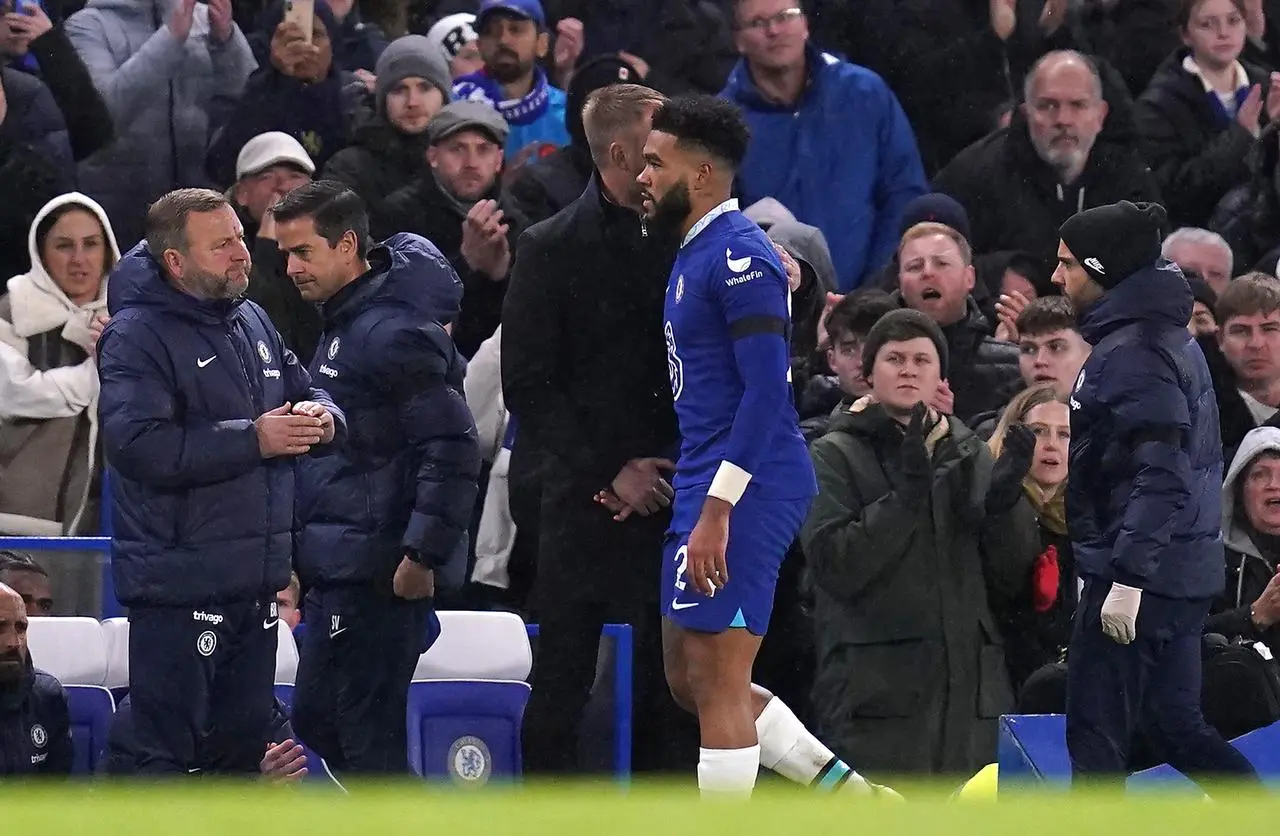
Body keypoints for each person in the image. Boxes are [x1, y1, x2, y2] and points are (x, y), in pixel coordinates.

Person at [633, 94, 897, 799]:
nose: (642, 176)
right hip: (705, 476)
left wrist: (718, 510)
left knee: (718, 683)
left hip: (747, 482)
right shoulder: (695, 251)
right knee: (689, 681)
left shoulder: (742, 254)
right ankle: (857, 799)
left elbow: (763, 394)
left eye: (657, 162)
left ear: (706, 172)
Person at [96, 187, 345, 776]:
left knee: (237, 762)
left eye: (239, 236)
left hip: (254, 587)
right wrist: (251, 439)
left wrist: (323, 416)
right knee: (162, 760)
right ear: (175, 262)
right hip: (179, 589)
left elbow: (308, 389)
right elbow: (136, 445)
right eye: (222, 245)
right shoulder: (136, 334)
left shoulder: (252, 317)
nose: (242, 253)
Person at [501, 83, 693, 773]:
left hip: (684, 497)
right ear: (620, 151)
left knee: (679, 693)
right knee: (560, 690)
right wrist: (612, 471)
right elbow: (528, 383)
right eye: (660, 141)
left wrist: (668, 466)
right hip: (581, 508)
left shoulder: (698, 236)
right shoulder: (548, 248)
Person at [1051, 199, 1260, 788]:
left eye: (1068, 265)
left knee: (1096, 735)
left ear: (1103, 270)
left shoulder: (1134, 353)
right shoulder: (1158, 337)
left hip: (1142, 576)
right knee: (1173, 725)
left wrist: (1126, 579)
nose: (1055, 277)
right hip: (1178, 572)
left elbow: (1161, 473)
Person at [273, 180, 479, 774]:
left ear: (346, 246)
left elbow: (453, 445)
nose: (289, 268)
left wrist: (422, 556)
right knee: (321, 719)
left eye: (302, 252)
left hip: (383, 571)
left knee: (366, 740)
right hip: (342, 565)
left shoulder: (391, 333)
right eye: (284, 253)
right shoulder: (348, 324)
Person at [801, 310, 1038, 776]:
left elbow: (1008, 577)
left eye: (921, 359)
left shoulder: (970, 451)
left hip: (971, 698)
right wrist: (906, 498)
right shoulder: (831, 453)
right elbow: (834, 565)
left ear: (940, 376)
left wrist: (1006, 508)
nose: (908, 369)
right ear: (868, 375)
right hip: (875, 699)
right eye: (894, 358)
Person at [0, 582, 72, 776]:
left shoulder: (48, 697)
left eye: (21, 628)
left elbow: (58, 794)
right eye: (0, 628)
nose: (14, 642)